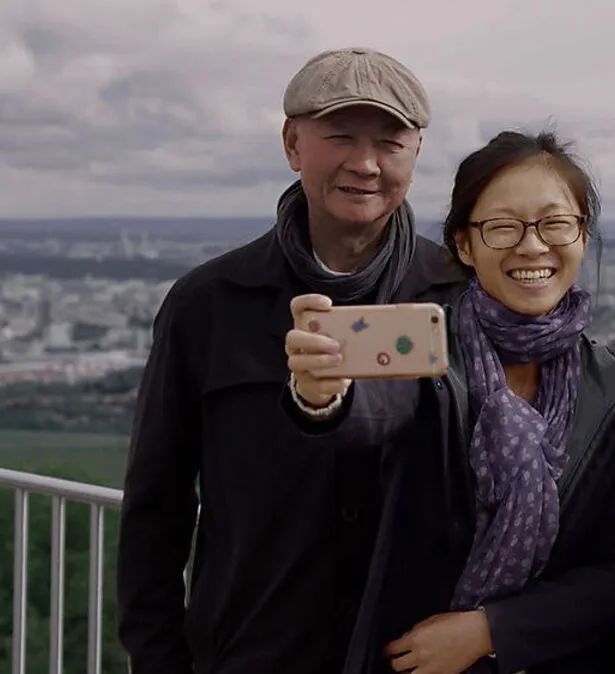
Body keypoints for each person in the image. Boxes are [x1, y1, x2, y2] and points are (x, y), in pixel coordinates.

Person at [115, 47, 466, 674]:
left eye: (390, 143)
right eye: (339, 137)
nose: (365, 164)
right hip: (251, 652)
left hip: (416, 656)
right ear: (292, 143)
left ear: (416, 155)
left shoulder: (460, 297)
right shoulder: (209, 304)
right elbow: (156, 507)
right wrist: (158, 658)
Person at [284, 129, 615, 674]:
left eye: (556, 223)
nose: (532, 246)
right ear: (464, 244)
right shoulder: (424, 357)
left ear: (582, 236)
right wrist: (321, 398)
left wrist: (492, 630)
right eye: (503, 226)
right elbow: (367, 418)